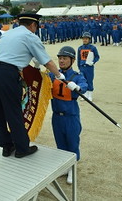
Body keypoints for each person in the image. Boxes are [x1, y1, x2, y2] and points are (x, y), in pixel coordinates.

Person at [0, 13, 66, 158]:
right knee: (13, 111)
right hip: (6, 74)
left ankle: (6, 146)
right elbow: (47, 61)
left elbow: (17, 53)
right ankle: (22, 148)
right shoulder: (30, 36)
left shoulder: (9, 34)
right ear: (33, 25)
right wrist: (60, 76)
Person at [48, 46, 87, 184]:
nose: (61, 61)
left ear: (72, 60)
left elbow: (84, 85)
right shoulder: (53, 74)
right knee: (61, 143)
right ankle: (64, 167)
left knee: (72, 142)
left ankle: (72, 168)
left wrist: (77, 87)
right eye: (59, 58)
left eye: (64, 58)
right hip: (56, 116)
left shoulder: (77, 76)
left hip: (70, 116)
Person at [77, 32, 100, 101]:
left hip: (89, 67)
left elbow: (97, 56)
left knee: (89, 80)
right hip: (82, 66)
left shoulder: (93, 48)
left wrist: (93, 62)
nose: (85, 40)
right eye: (84, 39)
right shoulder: (80, 48)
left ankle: (90, 95)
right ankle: (85, 94)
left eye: (86, 39)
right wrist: (79, 66)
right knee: (83, 80)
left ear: (89, 40)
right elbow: (79, 58)